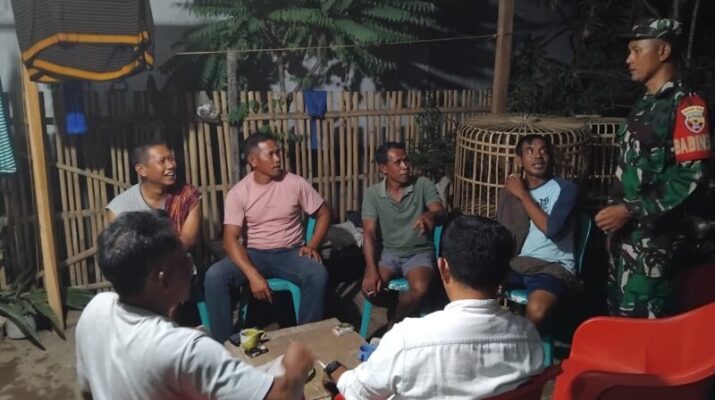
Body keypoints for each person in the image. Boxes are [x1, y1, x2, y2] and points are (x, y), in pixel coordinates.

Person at [76, 211, 315, 400]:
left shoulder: (95, 309)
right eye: (185, 260)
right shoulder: (187, 350)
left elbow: (87, 390)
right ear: (164, 279)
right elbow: (281, 396)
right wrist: (296, 368)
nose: (190, 268)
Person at [323, 216, 544, 399]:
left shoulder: (407, 339)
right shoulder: (528, 336)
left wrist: (336, 370)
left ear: (443, 268)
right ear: (505, 276)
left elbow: (358, 392)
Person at [595, 18, 712, 318]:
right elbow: (629, 171)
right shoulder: (643, 105)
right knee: (620, 318)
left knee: (646, 325)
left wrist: (630, 210)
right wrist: (616, 227)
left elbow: (692, 176)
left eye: (636, 50)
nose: (628, 59)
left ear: (663, 51)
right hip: (626, 241)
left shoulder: (687, 106)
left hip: (657, 246)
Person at [204, 132, 331, 344]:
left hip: (291, 253)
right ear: (253, 161)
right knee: (214, 276)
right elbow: (229, 239)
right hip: (254, 254)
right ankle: (223, 346)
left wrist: (313, 245)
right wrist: (252, 275)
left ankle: (307, 340)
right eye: (270, 155)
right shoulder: (239, 192)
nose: (278, 159)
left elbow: (324, 213)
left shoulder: (295, 183)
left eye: (278, 153)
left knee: (317, 273)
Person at [496, 134, 578, 327]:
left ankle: (519, 344)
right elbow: (504, 232)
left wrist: (522, 194)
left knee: (537, 310)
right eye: (530, 151)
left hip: (551, 267)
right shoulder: (511, 193)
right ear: (519, 160)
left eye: (543, 151)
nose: (537, 156)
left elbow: (551, 229)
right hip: (517, 263)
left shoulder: (566, 189)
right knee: (476, 289)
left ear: (551, 157)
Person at [361, 142, 446, 325]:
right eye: (398, 162)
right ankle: (398, 307)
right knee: (370, 289)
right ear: (383, 168)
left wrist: (431, 215)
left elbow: (440, 211)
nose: (405, 166)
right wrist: (371, 270)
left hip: (419, 253)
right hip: (388, 254)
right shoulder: (373, 194)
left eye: (406, 160)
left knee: (420, 288)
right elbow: (369, 233)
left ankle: (395, 322)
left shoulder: (422, 184)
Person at [106, 140, 201, 251]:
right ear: (142, 170)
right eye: (162, 161)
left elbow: (188, 240)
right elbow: (122, 251)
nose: (171, 165)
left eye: (171, 159)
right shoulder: (119, 209)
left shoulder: (188, 196)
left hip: (179, 260)